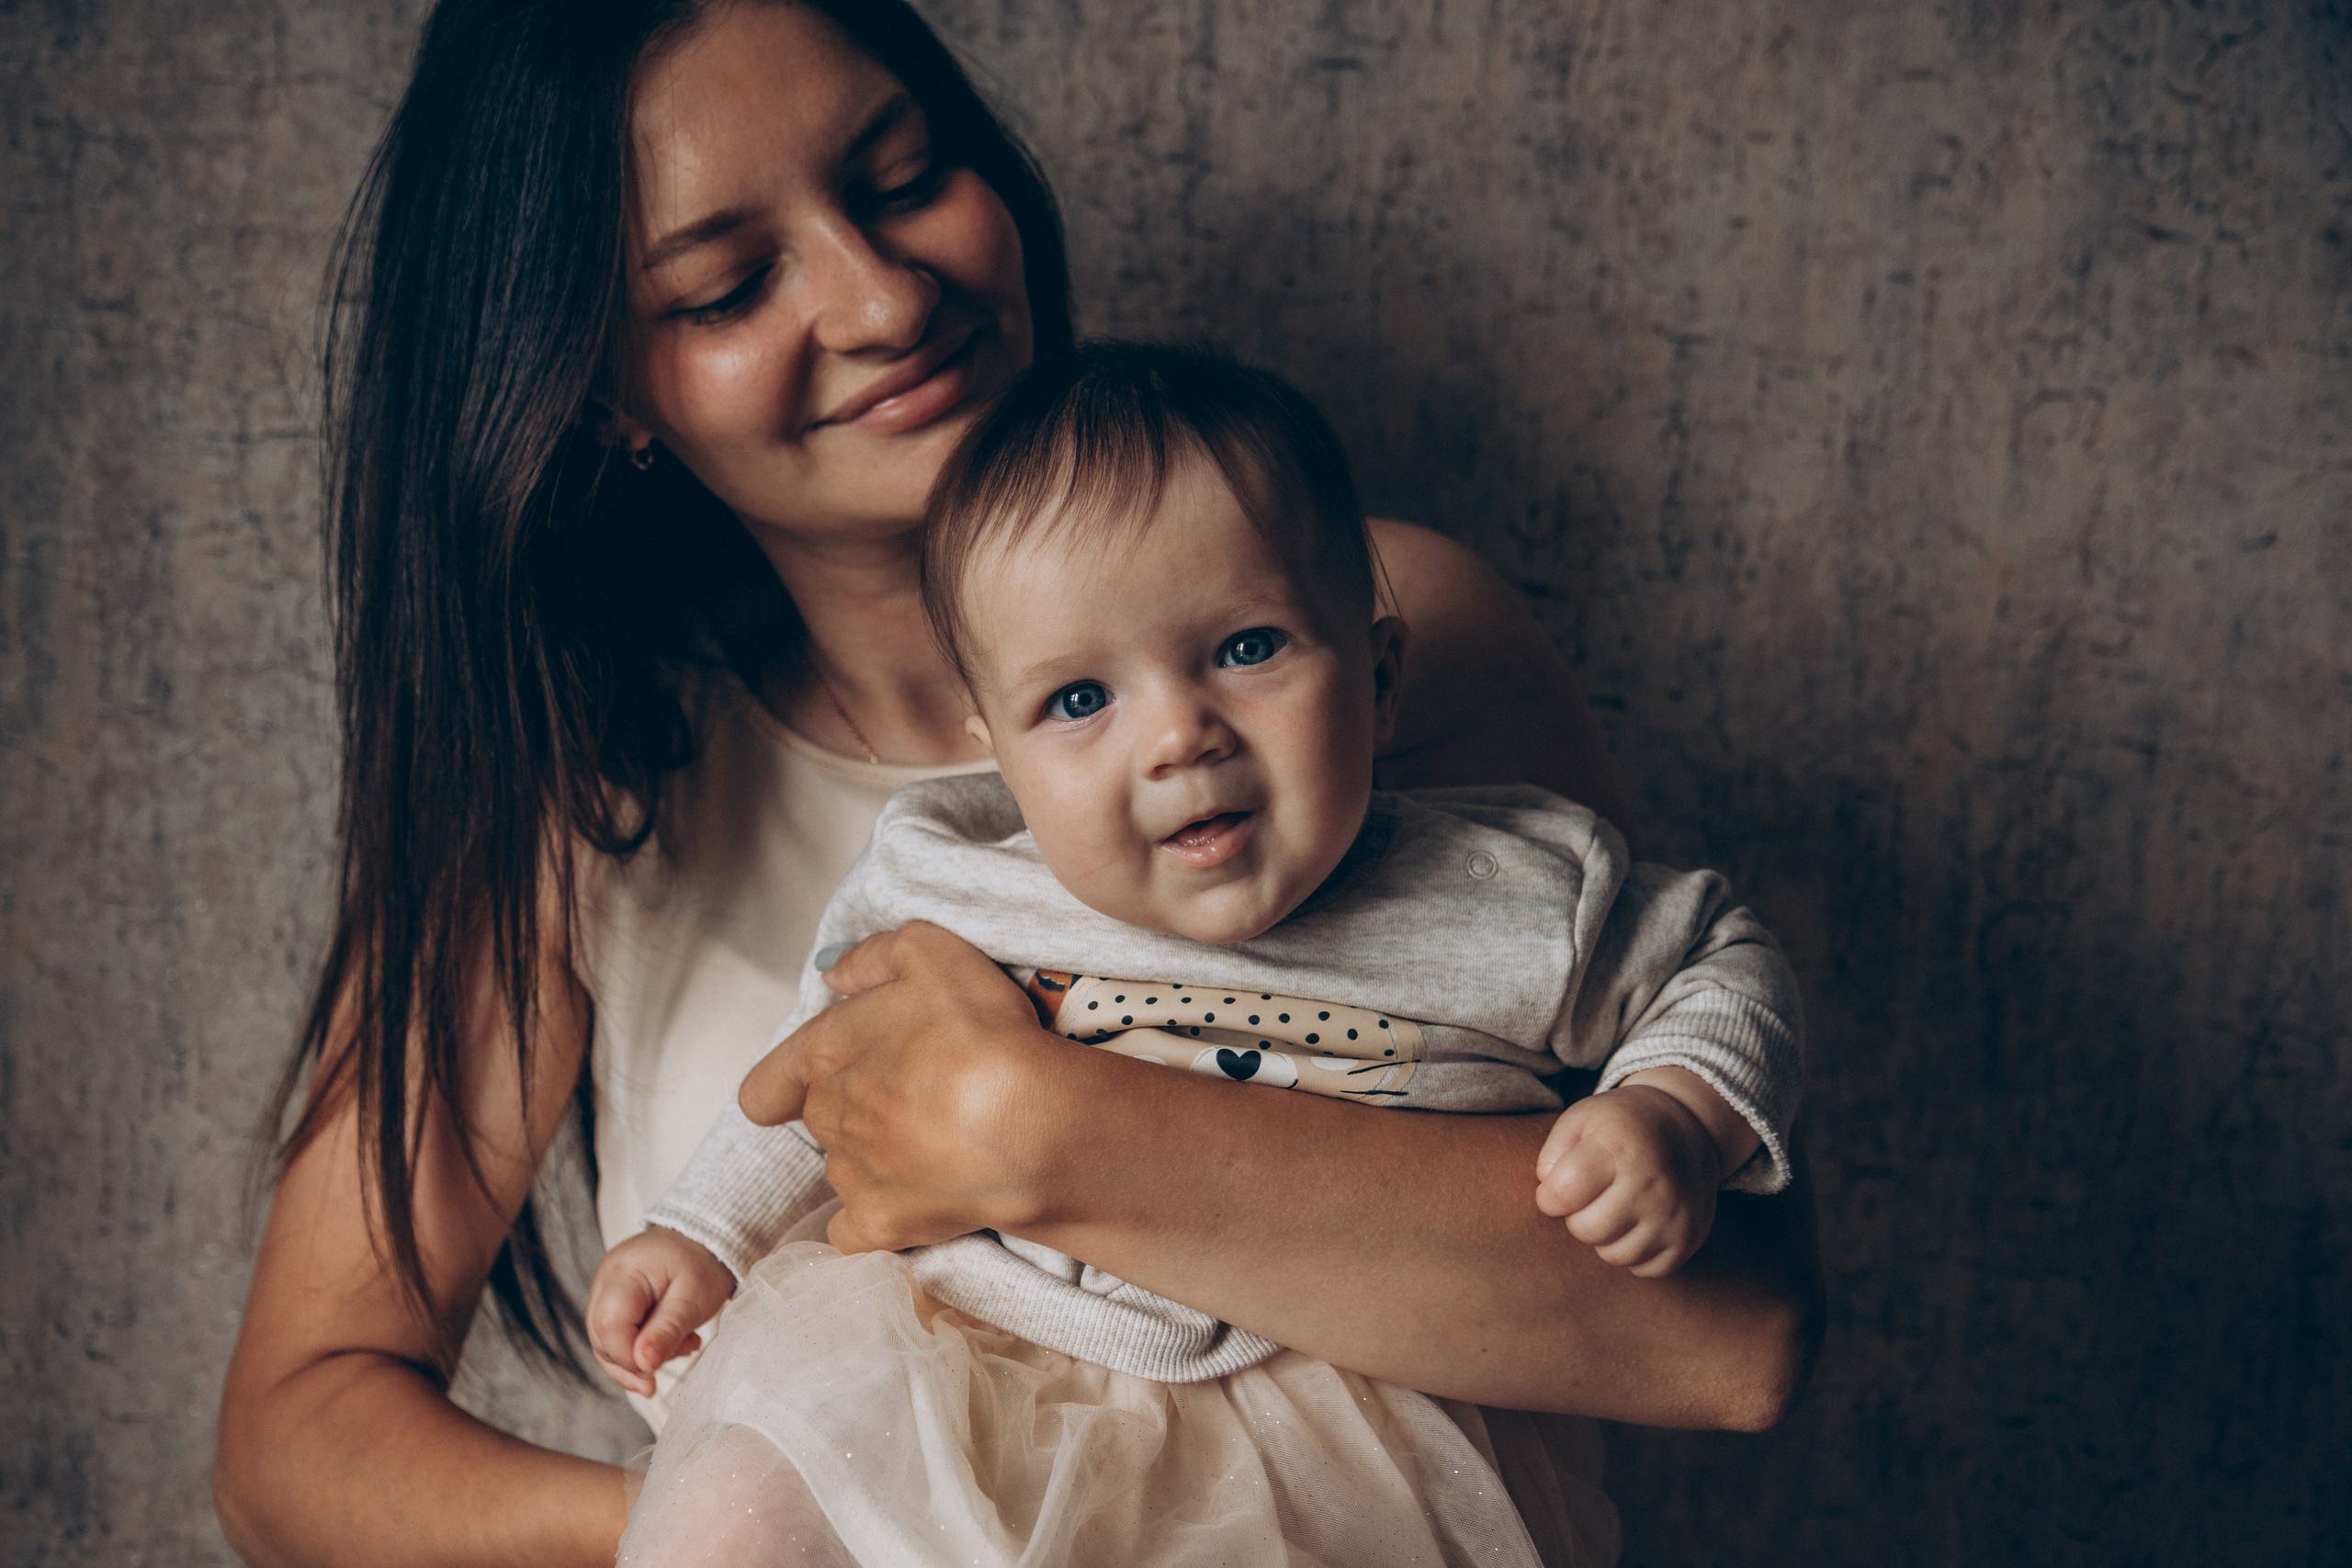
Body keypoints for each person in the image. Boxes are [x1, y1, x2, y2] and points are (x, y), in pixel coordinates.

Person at [211, 4, 1823, 1566]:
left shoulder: (1375, 633)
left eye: (905, 178)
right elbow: (294, 1443)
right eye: (726, 286)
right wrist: (815, 1507)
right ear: (605, 390)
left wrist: (1042, 1128)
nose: (879, 296)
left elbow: (1726, 1338)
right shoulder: (601, 788)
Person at [591, 343, 1804, 1565]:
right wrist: (704, 1233)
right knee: (727, 1509)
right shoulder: (958, 882)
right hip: (976, 1360)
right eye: (1079, 701)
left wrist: (1675, 1109)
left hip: (1337, 1413)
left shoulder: (1510, 888)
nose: (1179, 736)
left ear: (1380, 679)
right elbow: (824, 1076)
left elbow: (1719, 959)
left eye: (1246, 648)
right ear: (995, 755)